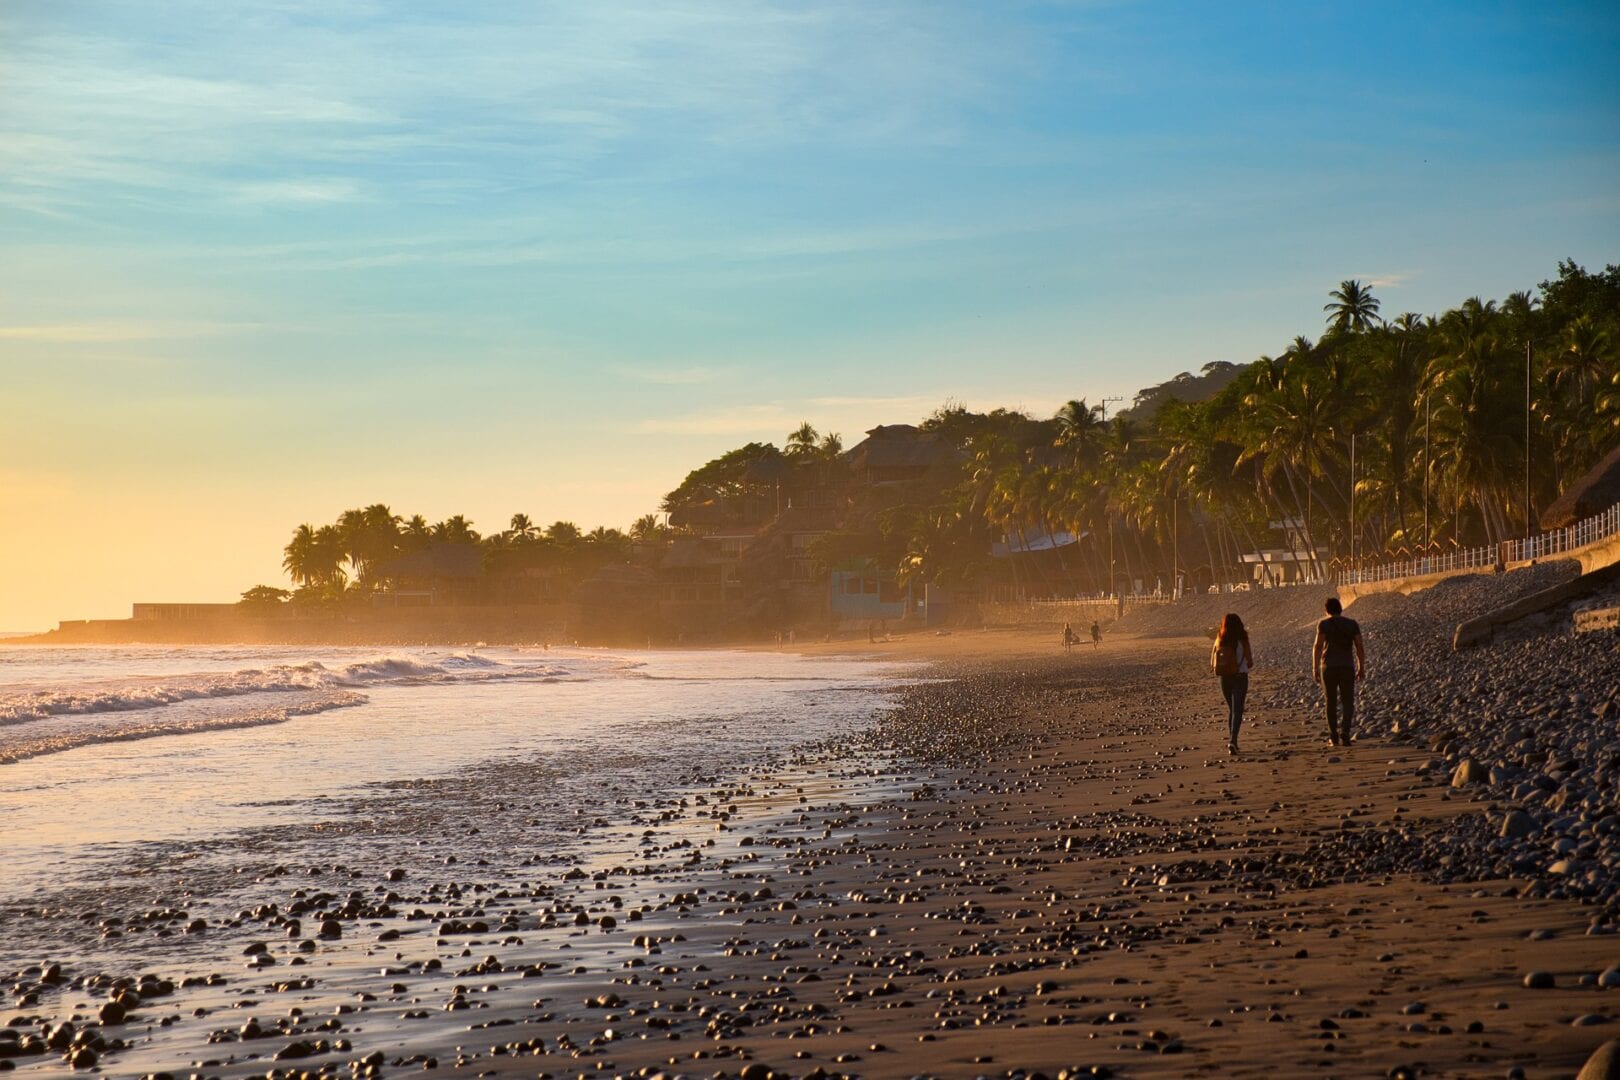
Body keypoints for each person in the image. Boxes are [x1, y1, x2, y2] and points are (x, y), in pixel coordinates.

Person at [1312, 596, 1366, 747]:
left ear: (1326, 610)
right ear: (1340, 609)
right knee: (1348, 701)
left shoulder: (1324, 624)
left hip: (1328, 667)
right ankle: (1345, 733)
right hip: (1347, 666)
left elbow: (1318, 646)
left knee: (1331, 701)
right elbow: (1359, 646)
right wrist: (1361, 666)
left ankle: (1333, 737)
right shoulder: (1352, 624)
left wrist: (1314, 668)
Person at [1210, 612, 1255, 754]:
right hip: (1240, 677)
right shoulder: (1243, 639)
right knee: (1238, 710)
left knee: (1232, 709)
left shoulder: (1220, 639)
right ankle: (1233, 741)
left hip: (1224, 678)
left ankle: (1232, 740)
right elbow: (1250, 662)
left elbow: (1212, 662)